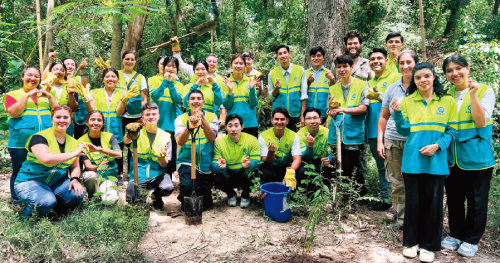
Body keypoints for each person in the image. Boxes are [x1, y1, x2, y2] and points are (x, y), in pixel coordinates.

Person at [391, 62, 458, 263]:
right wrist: (396, 112)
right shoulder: (407, 101)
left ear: (434, 77)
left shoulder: (447, 101)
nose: (423, 80)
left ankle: (429, 245)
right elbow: (404, 131)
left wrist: (437, 146)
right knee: (413, 203)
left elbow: (453, 131)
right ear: (415, 80)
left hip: (437, 162)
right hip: (412, 160)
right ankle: (411, 243)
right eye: (418, 77)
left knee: (433, 204)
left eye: (427, 76)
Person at [440, 55, 496, 257]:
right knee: (454, 197)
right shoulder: (446, 95)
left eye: (458, 68)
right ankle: (456, 233)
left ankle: (472, 239)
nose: (454, 73)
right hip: (452, 156)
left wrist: (472, 95)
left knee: (477, 200)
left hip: (477, 156)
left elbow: (481, 122)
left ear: (468, 68)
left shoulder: (485, 91)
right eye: (449, 70)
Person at [14, 105, 94, 218]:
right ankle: (26, 218)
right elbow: (46, 159)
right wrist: (74, 154)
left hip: (55, 181)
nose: (62, 120)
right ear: (52, 119)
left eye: (66, 117)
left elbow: (75, 166)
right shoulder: (39, 137)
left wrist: (75, 179)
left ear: (70, 120)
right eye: (58, 117)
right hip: (30, 181)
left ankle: (58, 212)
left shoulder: (74, 142)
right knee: (46, 201)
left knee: (77, 194)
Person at [3, 66, 58, 210]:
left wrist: (50, 97)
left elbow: (58, 112)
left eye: (36, 76)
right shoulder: (12, 94)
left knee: (40, 169)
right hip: (21, 142)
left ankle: (38, 196)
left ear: (40, 79)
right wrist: (27, 95)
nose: (33, 79)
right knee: (19, 170)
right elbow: (13, 112)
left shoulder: (44, 95)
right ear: (22, 77)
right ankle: (16, 201)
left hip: (43, 143)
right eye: (29, 75)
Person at [377, 50, 419, 227]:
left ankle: (416, 217)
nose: (405, 66)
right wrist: (380, 140)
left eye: (409, 62)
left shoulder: (423, 85)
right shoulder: (392, 88)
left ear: (416, 63)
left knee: (415, 179)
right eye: (402, 63)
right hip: (393, 140)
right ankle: (402, 219)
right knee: (396, 180)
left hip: (416, 141)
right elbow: (384, 116)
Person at [327, 54, 368, 196]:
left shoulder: (362, 85)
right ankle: (338, 195)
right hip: (336, 134)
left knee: (352, 167)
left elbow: (363, 108)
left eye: (345, 66)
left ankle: (355, 196)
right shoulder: (333, 88)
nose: (342, 69)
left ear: (352, 67)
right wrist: (332, 112)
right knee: (336, 165)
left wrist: (343, 110)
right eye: (339, 67)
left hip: (353, 133)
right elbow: (331, 108)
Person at [366, 48, 401, 209]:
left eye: (379, 58)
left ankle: (397, 203)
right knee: (381, 166)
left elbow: (399, 103)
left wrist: (380, 97)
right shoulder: (370, 82)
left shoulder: (395, 78)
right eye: (372, 59)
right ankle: (386, 199)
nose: (376, 61)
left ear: (386, 61)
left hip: (392, 131)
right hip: (373, 131)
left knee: (394, 168)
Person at [124, 102, 174, 210]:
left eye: (154, 114)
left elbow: (165, 164)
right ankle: (142, 195)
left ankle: (156, 195)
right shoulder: (136, 133)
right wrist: (129, 133)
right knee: (132, 197)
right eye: (147, 114)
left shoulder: (166, 136)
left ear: (158, 116)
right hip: (139, 176)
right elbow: (126, 141)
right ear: (143, 117)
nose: (151, 117)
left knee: (167, 188)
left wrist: (161, 159)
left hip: (157, 175)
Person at [175, 90, 218, 210]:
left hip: (204, 163)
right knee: (188, 186)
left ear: (203, 102)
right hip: (186, 161)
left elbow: (211, 138)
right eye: (192, 99)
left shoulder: (212, 116)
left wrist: (203, 120)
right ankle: (184, 195)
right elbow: (180, 141)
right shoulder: (181, 118)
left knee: (206, 203)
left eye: (199, 98)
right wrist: (189, 127)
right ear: (188, 102)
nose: (196, 101)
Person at [84, 68, 128, 181]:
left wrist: (125, 99)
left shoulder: (122, 92)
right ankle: (101, 171)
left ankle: (119, 174)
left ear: (118, 79)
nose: (110, 79)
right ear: (103, 79)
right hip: (99, 125)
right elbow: (91, 110)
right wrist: (87, 101)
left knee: (117, 148)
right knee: (101, 147)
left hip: (115, 125)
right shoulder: (95, 92)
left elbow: (120, 112)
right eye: (107, 76)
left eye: (113, 76)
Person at [211, 114, 260, 208]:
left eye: (236, 125)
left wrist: (250, 164)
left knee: (254, 173)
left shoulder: (252, 140)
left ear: (242, 127)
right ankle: (231, 194)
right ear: (225, 128)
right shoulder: (220, 142)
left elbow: (258, 161)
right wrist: (220, 167)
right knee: (218, 178)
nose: (233, 129)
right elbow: (213, 166)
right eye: (230, 126)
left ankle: (246, 195)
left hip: (244, 173)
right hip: (229, 174)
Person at [78, 110, 122, 202]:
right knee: (90, 175)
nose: (96, 123)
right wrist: (99, 167)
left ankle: (106, 195)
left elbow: (119, 154)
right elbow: (88, 166)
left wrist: (98, 149)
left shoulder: (110, 137)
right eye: (92, 120)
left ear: (102, 123)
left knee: (110, 200)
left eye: (99, 120)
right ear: (87, 122)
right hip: (94, 175)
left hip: (109, 177)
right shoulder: (81, 141)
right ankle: (93, 198)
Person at [150, 56, 184, 174]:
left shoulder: (179, 84)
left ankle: (169, 175)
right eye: (168, 66)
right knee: (158, 147)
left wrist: (171, 84)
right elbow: (154, 97)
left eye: (174, 66)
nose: (170, 69)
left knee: (172, 150)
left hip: (173, 121)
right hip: (158, 120)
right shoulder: (152, 80)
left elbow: (176, 100)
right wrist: (165, 82)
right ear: (163, 67)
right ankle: (157, 173)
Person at [258, 107, 301, 189]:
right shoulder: (263, 136)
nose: (279, 122)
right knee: (265, 172)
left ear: (287, 121)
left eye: (282, 119)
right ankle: (270, 191)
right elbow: (265, 161)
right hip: (271, 167)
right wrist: (271, 152)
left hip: (286, 167)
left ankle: (292, 193)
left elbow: (297, 158)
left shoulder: (293, 135)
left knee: (301, 170)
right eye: (276, 119)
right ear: (272, 120)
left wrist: (291, 171)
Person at [268, 45, 308, 130]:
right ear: (277, 56)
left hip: (295, 114)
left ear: (289, 54)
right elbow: (271, 98)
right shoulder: (272, 74)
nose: (283, 56)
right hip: (279, 116)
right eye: (280, 54)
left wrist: (302, 115)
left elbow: (303, 95)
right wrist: (276, 89)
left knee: (296, 140)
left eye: (285, 53)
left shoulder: (300, 70)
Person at [221, 54, 261, 137]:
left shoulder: (250, 81)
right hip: (232, 126)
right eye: (236, 63)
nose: (238, 66)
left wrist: (252, 89)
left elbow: (253, 104)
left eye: (241, 63)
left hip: (250, 123)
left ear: (245, 65)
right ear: (231, 65)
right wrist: (230, 91)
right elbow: (227, 106)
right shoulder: (226, 82)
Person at [42, 61, 78, 136]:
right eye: (55, 69)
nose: (59, 71)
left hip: (66, 125)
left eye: (62, 70)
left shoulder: (69, 86)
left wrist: (71, 95)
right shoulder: (44, 86)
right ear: (50, 71)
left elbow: (74, 108)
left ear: (65, 73)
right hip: (48, 124)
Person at [118, 51, 148, 141]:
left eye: (132, 59)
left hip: (135, 116)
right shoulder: (116, 75)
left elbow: (144, 99)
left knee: (134, 142)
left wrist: (144, 115)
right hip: (118, 115)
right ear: (122, 60)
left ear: (135, 62)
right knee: (119, 142)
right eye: (127, 59)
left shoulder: (140, 77)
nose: (129, 62)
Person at [297, 108, 331, 178]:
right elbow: (304, 158)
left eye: (315, 118)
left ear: (320, 120)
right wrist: (310, 146)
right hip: (307, 162)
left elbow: (332, 151)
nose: (312, 121)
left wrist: (329, 159)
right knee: (302, 171)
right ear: (304, 121)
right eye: (308, 118)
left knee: (330, 168)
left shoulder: (327, 132)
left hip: (322, 161)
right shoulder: (299, 135)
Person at [62, 56, 89, 139]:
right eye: (67, 64)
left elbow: (84, 84)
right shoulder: (58, 81)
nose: (70, 66)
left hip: (80, 118)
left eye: (72, 64)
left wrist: (82, 69)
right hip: (63, 117)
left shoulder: (77, 79)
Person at [305, 47, 335, 120]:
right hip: (308, 113)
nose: (316, 58)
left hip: (324, 113)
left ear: (323, 57)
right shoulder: (305, 73)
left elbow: (333, 92)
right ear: (310, 58)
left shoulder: (328, 73)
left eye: (319, 56)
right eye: (313, 56)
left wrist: (332, 80)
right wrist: (308, 82)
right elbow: (301, 93)